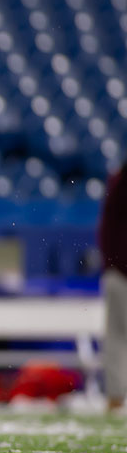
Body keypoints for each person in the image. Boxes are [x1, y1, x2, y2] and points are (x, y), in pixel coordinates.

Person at [98, 159, 127, 413]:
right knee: (117, 336)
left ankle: (116, 397)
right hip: (120, 272)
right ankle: (116, 397)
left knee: (116, 337)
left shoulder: (118, 180)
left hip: (117, 269)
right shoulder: (120, 182)